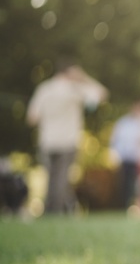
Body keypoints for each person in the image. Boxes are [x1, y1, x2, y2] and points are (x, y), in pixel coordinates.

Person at [25, 57, 108, 215]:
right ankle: (55, 212)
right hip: (68, 141)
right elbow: (102, 94)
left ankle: (51, 212)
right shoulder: (74, 89)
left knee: (51, 179)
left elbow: (32, 118)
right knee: (62, 180)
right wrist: (83, 78)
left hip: (47, 141)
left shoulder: (44, 89)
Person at [110, 102, 140, 213]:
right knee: (129, 184)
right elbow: (116, 140)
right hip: (128, 158)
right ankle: (127, 206)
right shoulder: (124, 123)